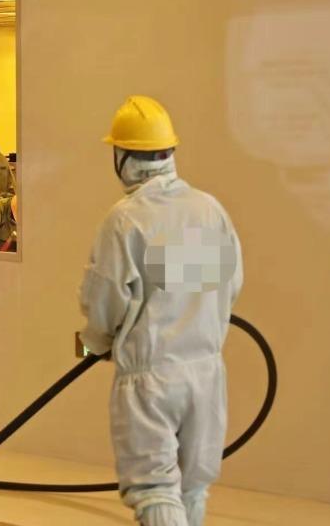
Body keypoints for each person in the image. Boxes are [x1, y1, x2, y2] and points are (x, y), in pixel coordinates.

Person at [78, 96, 243, 526]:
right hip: (206, 373)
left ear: (123, 156)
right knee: (192, 487)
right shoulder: (208, 210)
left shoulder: (127, 219)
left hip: (151, 376)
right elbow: (228, 285)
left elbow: (106, 299)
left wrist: (94, 343)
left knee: (154, 489)